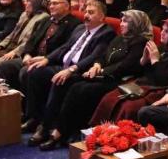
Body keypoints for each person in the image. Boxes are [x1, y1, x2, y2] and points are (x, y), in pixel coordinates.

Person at [35, 10, 151, 151]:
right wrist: (97, 65)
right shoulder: (120, 38)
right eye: (121, 20)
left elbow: (126, 66)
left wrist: (100, 71)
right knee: (66, 80)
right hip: (102, 75)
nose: (121, 24)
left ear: (136, 24)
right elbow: (103, 56)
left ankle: (60, 132)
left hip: (119, 80)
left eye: (126, 21)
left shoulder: (141, 42)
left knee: (80, 89)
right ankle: (48, 125)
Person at [24, 0, 116, 146]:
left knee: (60, 80)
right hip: (64, 66)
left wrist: (71, 69)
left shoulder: (106, 33)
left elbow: (94, 57)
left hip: (80, 71)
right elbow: (65, 47)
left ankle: (46, 127)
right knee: (35, 72)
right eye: (86, 12)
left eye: (91, 13)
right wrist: (47, 59)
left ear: (102, 16)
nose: (86, 15)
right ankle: (35, 117)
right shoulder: (80, 28)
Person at [90, 18, 168, 123]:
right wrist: (144, 60)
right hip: (142, 84)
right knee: (109, 97)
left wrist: (155, 60)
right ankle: (98, 129)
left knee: (129, 107)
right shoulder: (162, 48)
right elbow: (142, 72)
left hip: (158, 90)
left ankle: (119, 131)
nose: (162, 33)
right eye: (162, 29)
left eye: (166, 31)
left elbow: (164, 80)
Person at [13, 0, 81, 101]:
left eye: (55, 3)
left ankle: (28, 108)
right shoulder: (46, 20)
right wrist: (27, 54)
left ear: (67, 6)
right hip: (33, 57)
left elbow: (66, 48)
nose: (51, 6)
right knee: (6, 66)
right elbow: (31, 40)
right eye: (50, 3)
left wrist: (46, 58)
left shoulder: (74, 24)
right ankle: (9, 104)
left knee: (26, 72)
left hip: (51, 61)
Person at [0, 0, 49, 75]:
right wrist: (0, 46)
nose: (25, 3)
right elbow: (13, 32)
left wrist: (15, 52)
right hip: (10, 46)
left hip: (21, 50)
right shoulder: (24, 14)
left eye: (28, 1)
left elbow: (31, 41)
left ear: (36, 3)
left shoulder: (43, 18)